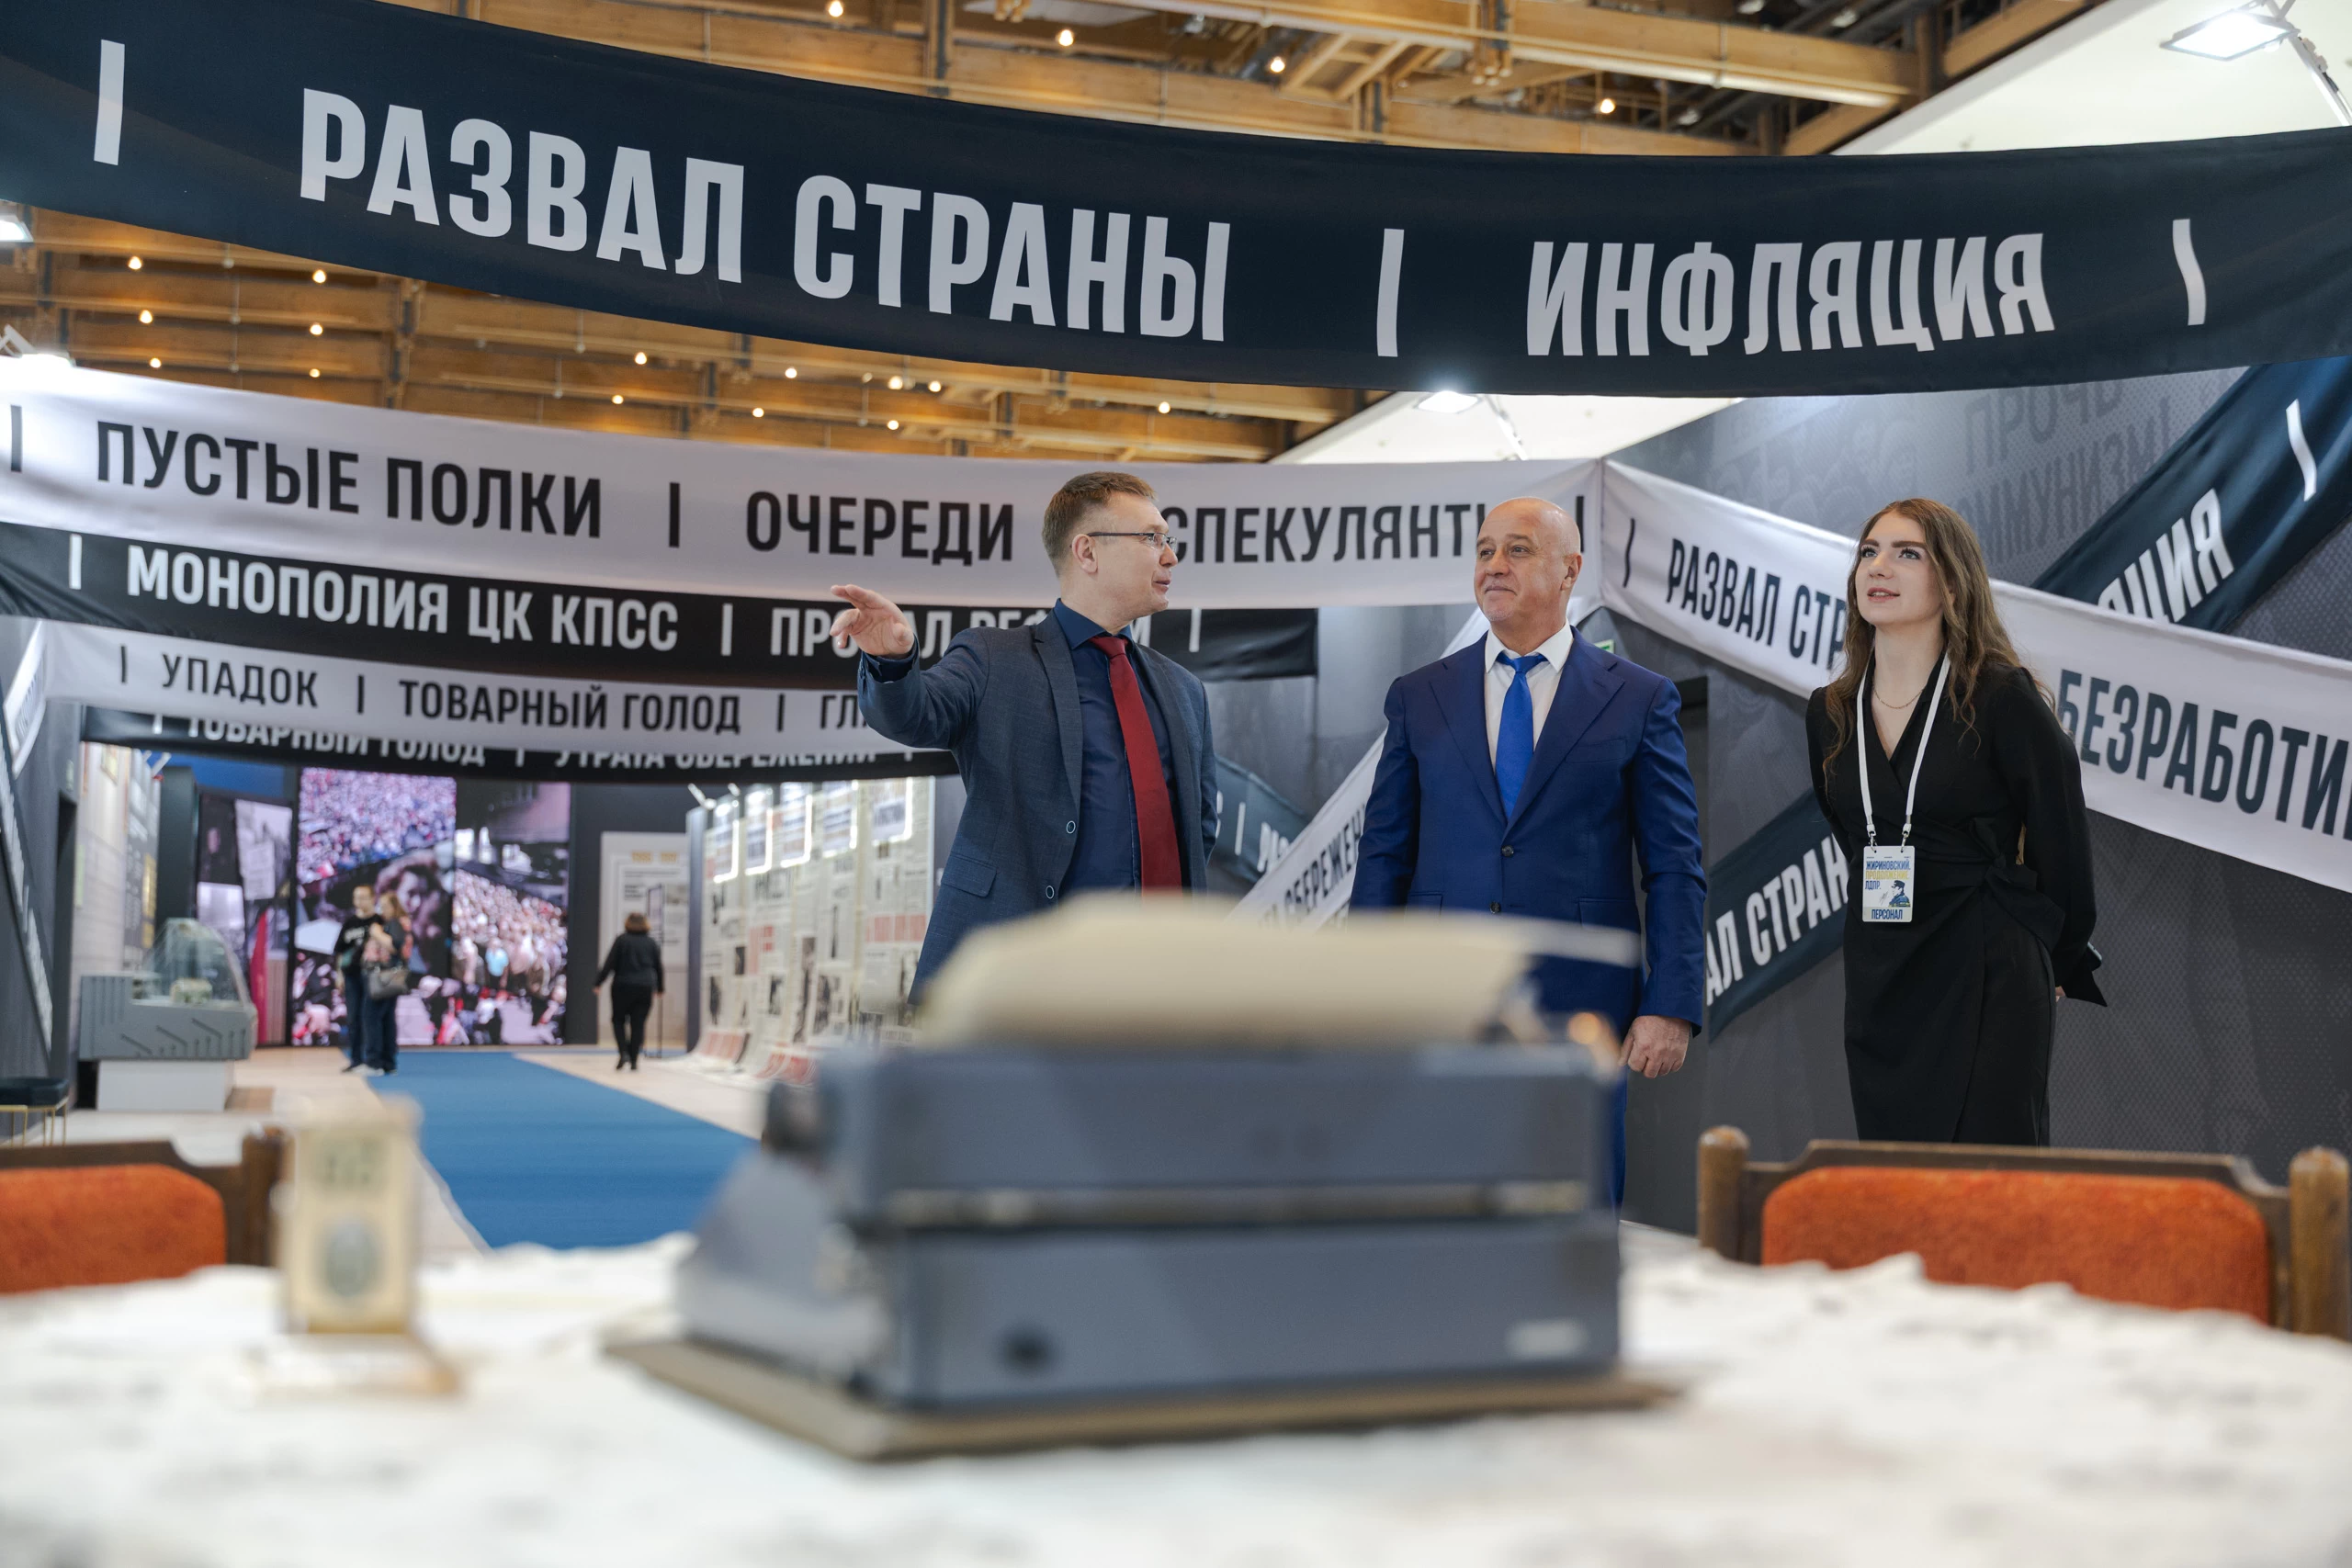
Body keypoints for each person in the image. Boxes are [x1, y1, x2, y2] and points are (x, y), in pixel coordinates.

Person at [1350, 496, 1705, 1205]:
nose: (1494, 565)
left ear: (1570, 570)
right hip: (1440, 999)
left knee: (1574, 1206)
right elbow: (1384, 854)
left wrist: (1671, 1002)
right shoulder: (1419, 696)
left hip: (1581, 1005)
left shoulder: (1639, 699)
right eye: (1485, 550)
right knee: (1437, 1205)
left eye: (1517, 549)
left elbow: (1673, 864)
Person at [832, 470, 1217, 995]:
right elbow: (915, 715)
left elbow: (1198, 827)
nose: (1170, 556)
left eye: (1168, 540)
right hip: (1023, 980)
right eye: (1151, 538)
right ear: (1087, 552)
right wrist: (893, 661)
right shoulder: (995, 658)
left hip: (1159, 985)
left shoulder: (1184, 690)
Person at [1804, 498, 2104, 1146]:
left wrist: (2054, 951)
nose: (1878, 566)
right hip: (1882, 971)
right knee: (1898, 1179)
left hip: (1988, 963)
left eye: (1907, 553)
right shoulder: (1829, 711)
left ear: (1951, 580)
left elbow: (2062, 840)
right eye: (1869, 551)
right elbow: (1852, 834)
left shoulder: (2000, 695)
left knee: (1988, 1180)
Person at [595, 911, 663, 1071]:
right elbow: (658, 967)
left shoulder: (622, 940)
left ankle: (623, 1052)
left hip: (622, 985)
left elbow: (610, 963)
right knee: (638, 1023)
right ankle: (634, 1059)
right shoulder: (651, 943)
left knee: (618, 1020)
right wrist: (660, 988)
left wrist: (598, 982)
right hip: (645, 987)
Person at [359, 888, 411, 1076]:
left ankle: (375, 1063)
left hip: (384, 977)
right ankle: (388, 1062)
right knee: (387, 1019)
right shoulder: (395, 923)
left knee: (372, 1017)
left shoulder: (396, 923)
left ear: (394, 907)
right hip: (389, 977)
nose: (382, 910)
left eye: (385, 906)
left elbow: (395, 946)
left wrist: (376, 933)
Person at [331, 883, 379, 1072]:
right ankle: (356, 1059)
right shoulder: (350, 923)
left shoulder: (378, 921)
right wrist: (339, 975)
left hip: (372, 976)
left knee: (370, 1017)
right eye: (357, 897)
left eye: (363, 897)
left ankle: (372, 1059)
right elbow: (340, 951)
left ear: (373, 898)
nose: (359, 901)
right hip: (352, 975)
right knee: (353, 1018)